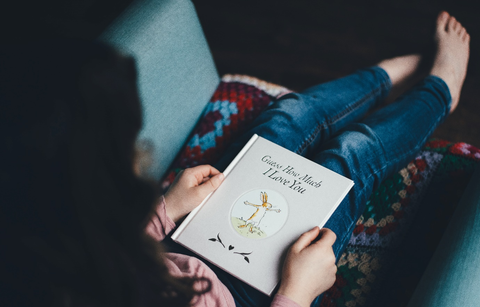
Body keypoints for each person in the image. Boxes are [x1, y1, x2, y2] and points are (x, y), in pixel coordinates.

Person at [1, 10, 469, 307]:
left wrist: (166, 209)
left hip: (184, 246)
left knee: (286, 115)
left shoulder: (51, 243)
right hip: (252, 292)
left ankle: (382, 80)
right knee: (350, 155)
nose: (144, 162)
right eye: (131, 157)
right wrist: (297, 293)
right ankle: (439, 94)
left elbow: (99, 233)